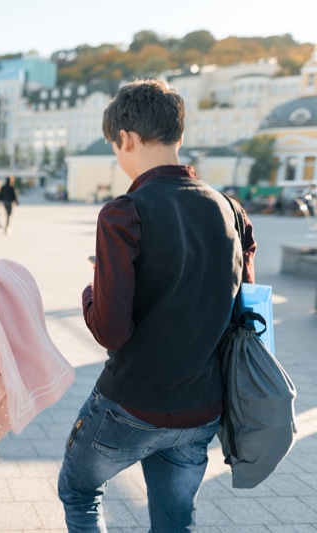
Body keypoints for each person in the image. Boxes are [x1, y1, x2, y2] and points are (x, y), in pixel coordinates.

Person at [57, 79, 256, 533]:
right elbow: (244, 308)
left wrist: (94, 287)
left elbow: (109, 330)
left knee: (80, 492)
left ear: (124, 138)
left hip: (131, 403)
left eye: (115, 147)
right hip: (203, 405)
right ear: (178, 136)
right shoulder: (231, 209)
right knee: (173, 522)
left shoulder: (124, 212)